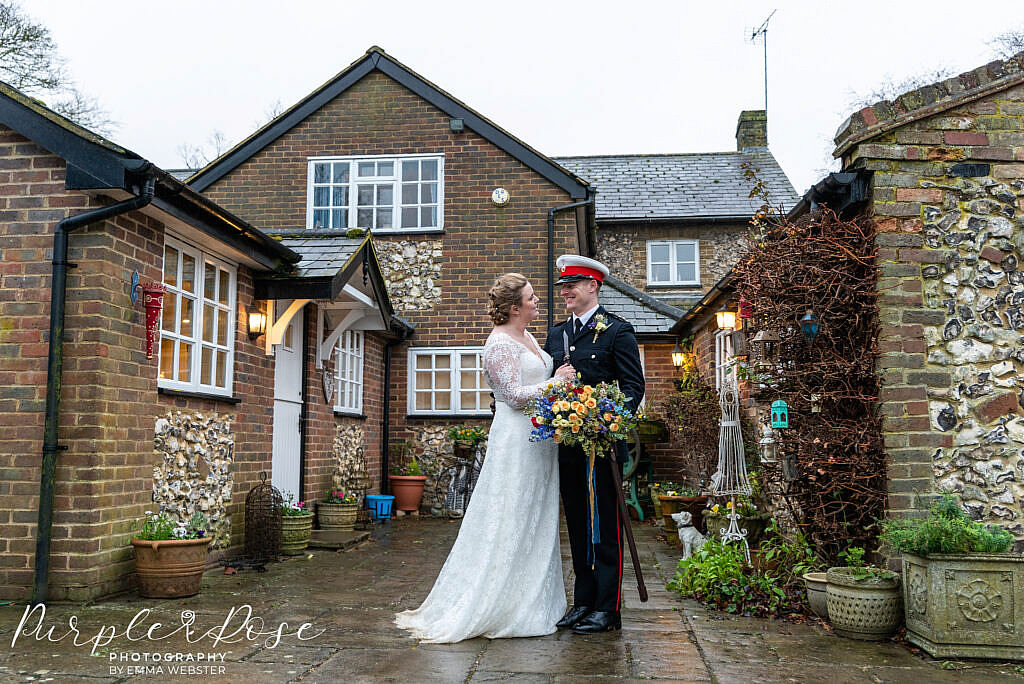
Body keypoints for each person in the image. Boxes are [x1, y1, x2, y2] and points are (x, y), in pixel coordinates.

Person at [395, 273, 577, 643]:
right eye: (530, 297)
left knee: (535, 517)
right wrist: (557, 382)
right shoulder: (497, 344)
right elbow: (511, 396)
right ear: (514, 308)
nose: (537, 301)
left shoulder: (525, 337)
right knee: (509, 516)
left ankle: (533, 599)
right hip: (516, 441)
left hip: (539, 441)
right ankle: (499, 603)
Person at [543, 255, 645, 634]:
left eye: (572, 285)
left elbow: (634, 389)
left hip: (603, 450)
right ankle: (583, 601)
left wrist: (608, 422)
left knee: (604, 528)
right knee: (578, 527)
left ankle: (608, 608)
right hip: (569, 447)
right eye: (562, 286)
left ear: (593, 286)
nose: (565, 291)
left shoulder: (618, 332)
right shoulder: (557, 335)